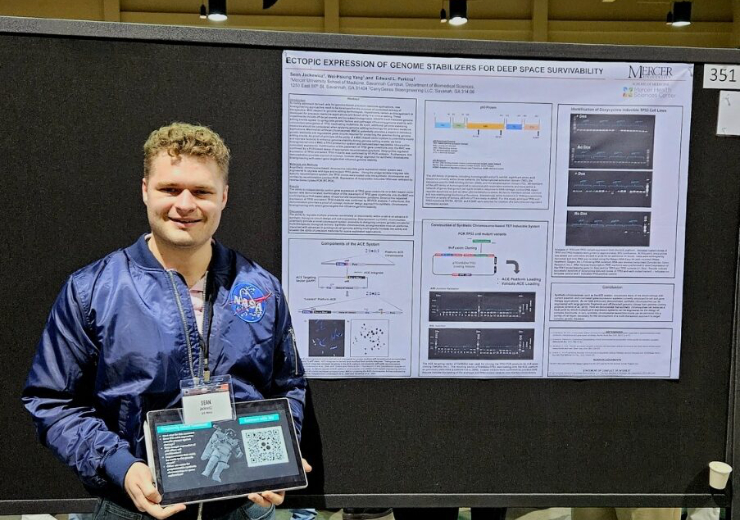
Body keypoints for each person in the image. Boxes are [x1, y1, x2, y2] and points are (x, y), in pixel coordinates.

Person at [22, 122, 308, 520]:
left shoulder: (261, 289)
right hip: (131, 509)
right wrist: (121, 466)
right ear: (145, 190)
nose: (185, 204)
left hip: (244, 510)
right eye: (170, 189)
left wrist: (279, 451)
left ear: (224, 197)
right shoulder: (91, 290)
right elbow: (52, 401)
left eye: (202, 191)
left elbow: (288, 384)